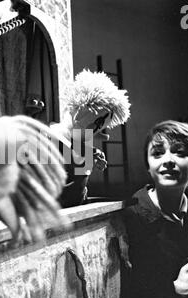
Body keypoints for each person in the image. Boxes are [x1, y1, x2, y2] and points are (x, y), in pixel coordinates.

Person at [122, 120, 188, 298]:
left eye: (180, 152)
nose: (168, 160)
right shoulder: (130, 217)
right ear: (148, 166)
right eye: (157, 153)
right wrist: (174, 290)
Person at [51, 69, 131, 208]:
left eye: (99, 128)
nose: (95, 133)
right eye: (97, 126)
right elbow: (69, 197)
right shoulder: (51, 142)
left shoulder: (75, 140)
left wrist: (90, 153)